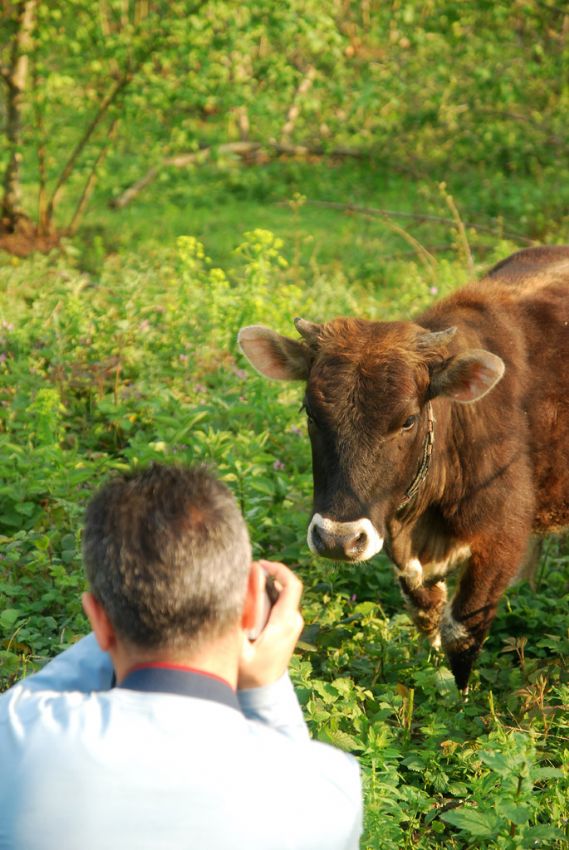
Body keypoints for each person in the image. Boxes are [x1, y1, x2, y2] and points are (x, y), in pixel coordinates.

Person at [0, 463, 362, 850]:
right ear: (251, 602)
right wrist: (266, 689)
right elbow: (297, 782)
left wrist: (127, 610)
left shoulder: (15, 737)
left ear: (98, 620)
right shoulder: (330, 791)